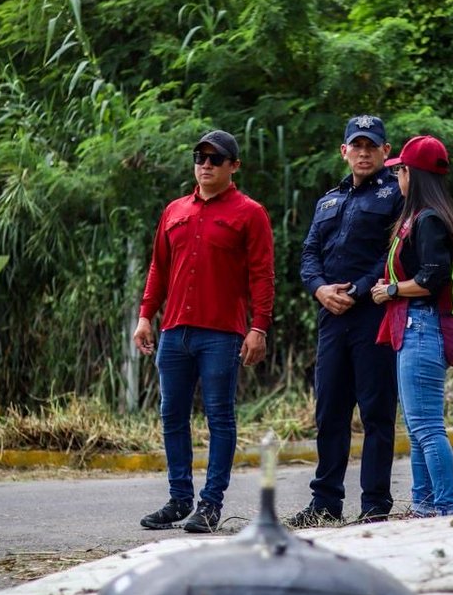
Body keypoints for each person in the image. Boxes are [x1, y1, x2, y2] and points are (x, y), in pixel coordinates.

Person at [133, 129, 275, 533]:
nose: (206, 165)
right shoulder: (175, 210)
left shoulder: (250, 213)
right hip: (174, 331)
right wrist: (146, 316)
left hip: (221, 334)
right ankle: (179, 500)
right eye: (200, 157)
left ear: (234, 166)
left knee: (219, 417)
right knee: (172, 416)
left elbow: (262, 275)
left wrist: (259, 327)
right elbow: (159, 267)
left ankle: (210, 504)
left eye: (216, 159)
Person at [292, 115, 404, 526]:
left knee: (376, 412)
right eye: (356, 146)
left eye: (371, 146)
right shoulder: (327, 200)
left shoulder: (396, 195)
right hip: (331, 317)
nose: (363, 152)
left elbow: (394, 252)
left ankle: (375, 504)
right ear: (344, 151)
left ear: (385, 152)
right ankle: (325, 503)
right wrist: (320, 289)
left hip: (372, 314)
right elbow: (308, 254)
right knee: (330, 412)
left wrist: (355, 290)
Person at [371, 135, 453, 517]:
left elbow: (433, 277)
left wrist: (391, 289)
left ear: (414, 173)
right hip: (415, 326)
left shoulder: (428, 219)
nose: (397, 176)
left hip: (422, 326)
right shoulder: (428, 215)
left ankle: (444, 509)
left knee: (426, 427)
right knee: (416, 430)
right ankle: (424, 507)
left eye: (400, 169)